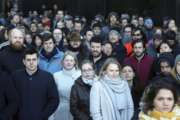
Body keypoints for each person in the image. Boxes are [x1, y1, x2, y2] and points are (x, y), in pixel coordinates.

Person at [12, 47, 59, 120]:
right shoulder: (15, 76)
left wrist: (43, 115)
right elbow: (10, 98)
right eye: (28, 60)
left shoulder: (48, 77)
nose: (31, 62)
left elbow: (54, 100)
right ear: (24, 62)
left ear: (38, 61)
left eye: (34, 59)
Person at [53, 51, 81, 120]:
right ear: (62, 62)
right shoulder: (56, 76)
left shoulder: (80, 74)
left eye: (71, 60)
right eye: (67, 60)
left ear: (75, 62)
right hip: (61, 110)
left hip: (78, 110)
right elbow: (53, 97)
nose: (69, 62)